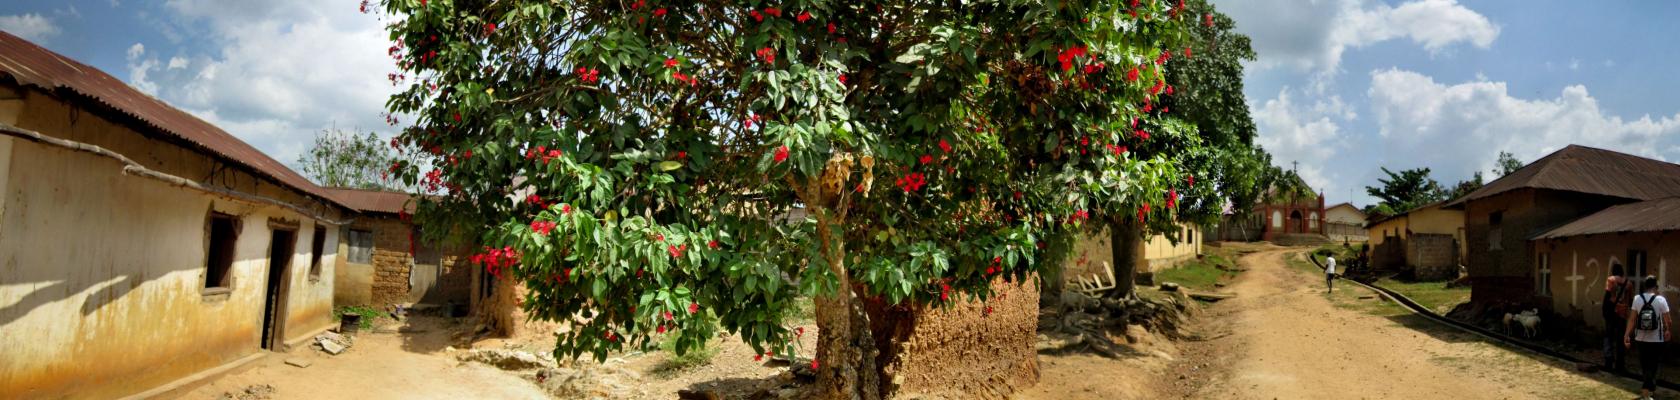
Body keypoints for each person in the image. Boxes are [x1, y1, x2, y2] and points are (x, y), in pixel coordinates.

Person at [1624, 275, 1670, 400]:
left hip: (1640, 339)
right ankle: (1646, 392)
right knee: (1653, 366)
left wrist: (1627, 335)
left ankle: (1649, 391)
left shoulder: (1637, 298)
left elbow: (1632, 319)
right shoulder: (1661, 300)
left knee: (1645, 366)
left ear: (1644, 286)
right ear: (1656, 286)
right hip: (1657, 339)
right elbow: (1668, 320)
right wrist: (1667, 330)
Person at [1603, 263, 1632, 372]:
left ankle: (1608, 361)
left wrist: (1605, 310)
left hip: (1612, 313)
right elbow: (1630, 301)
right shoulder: (1629, 283)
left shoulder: (1611, 280)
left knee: (1608, 337)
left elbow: (1607, 296)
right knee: (1620, 340)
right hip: (1622, 315)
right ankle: (1620, 364)